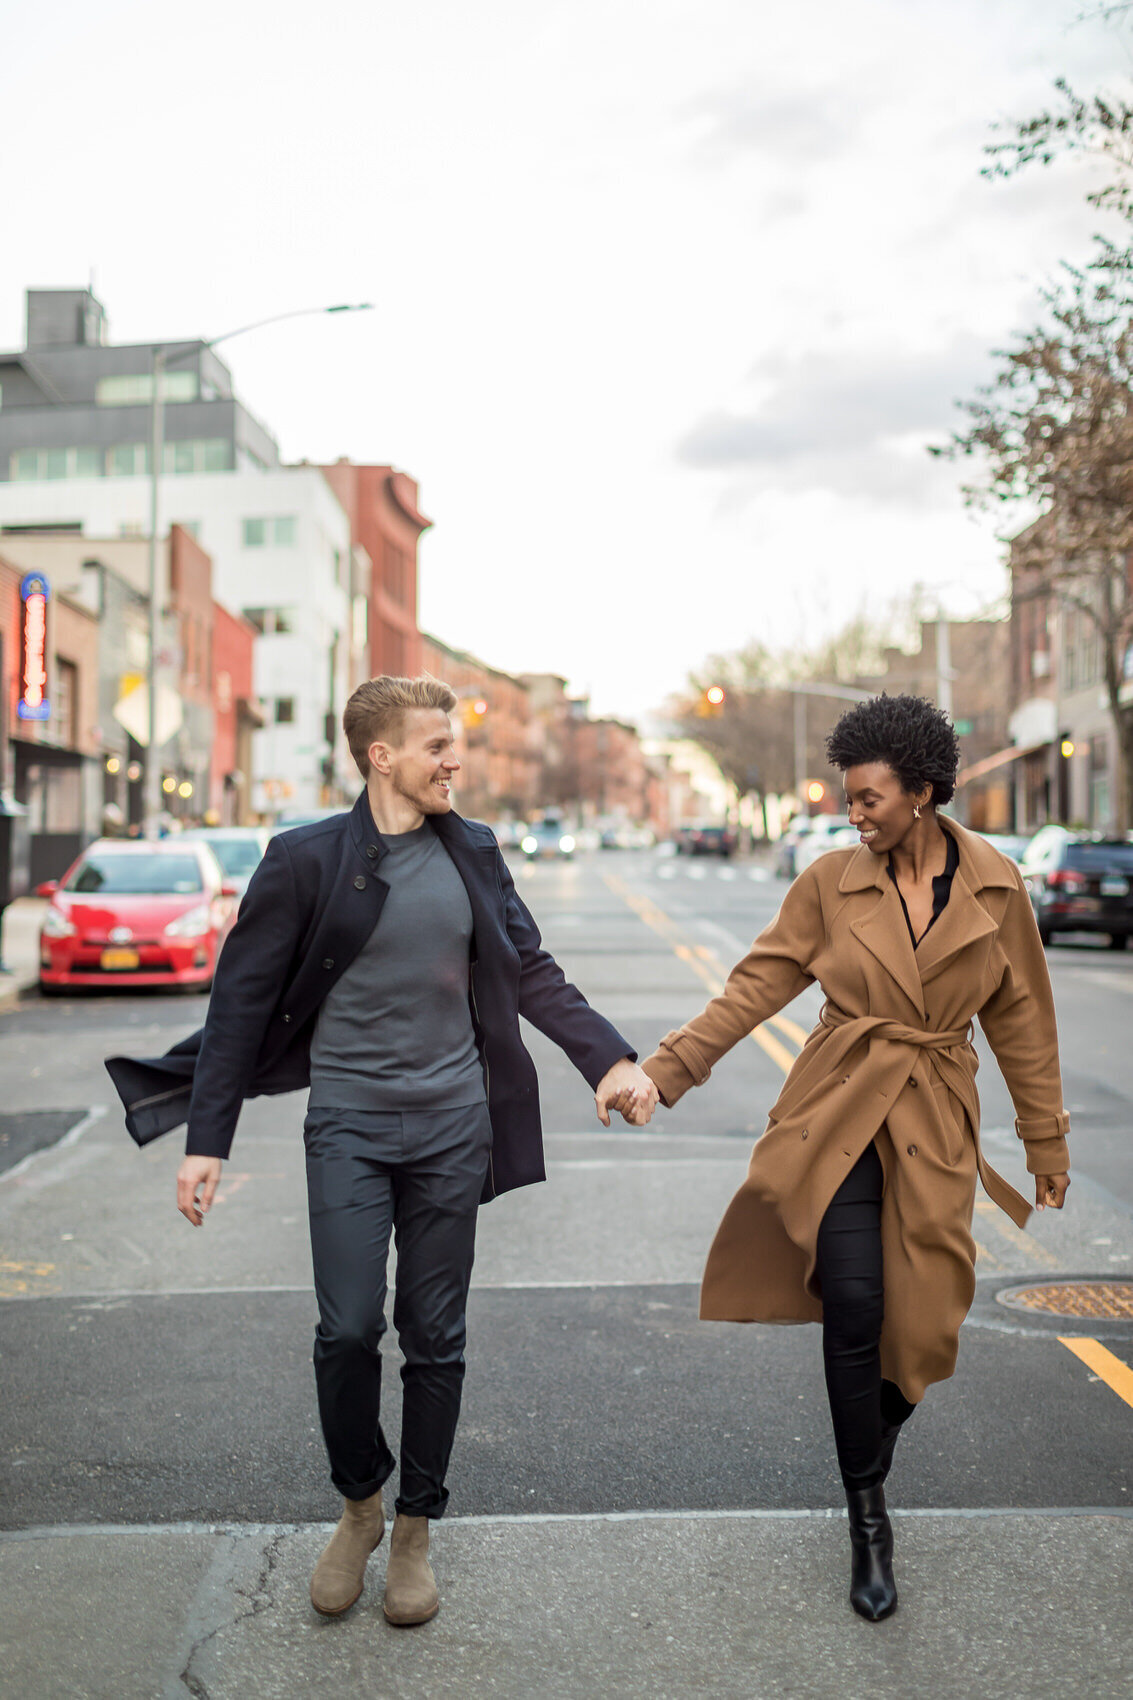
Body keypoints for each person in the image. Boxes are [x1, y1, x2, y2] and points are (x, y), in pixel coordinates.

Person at [105, 675, 654, 1628]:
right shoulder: (306, 859)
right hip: (350, 1128)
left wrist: (605, 1058)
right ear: (381, 756)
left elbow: (529, 969)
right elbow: (237, 1006)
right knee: (349, 1328)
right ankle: (359, 1501)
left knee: (435, 1338)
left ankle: (414, 1527)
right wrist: (206, 1142)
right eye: (437, 744)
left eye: (457, 743)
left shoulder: (474, 851)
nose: (456, 760)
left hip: (452, 1128)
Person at [637, 693, 1070, 1621]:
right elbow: (755, 986)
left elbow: (1023, 1019)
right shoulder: (831, 882)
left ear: (920, 791)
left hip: (934, 1112)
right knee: (855, 1304)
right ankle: (867, 1519)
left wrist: (1045, 1138)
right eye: (849, 797)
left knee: (926, 1321)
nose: (852, 812)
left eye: (868, 797)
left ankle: (869, 1439)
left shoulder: (996, 886)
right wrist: (667, 1071)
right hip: (837, 1105)